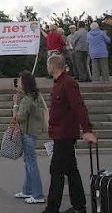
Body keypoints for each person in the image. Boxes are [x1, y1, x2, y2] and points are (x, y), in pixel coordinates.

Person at [42, 54, 97, 213]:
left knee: (57, 171)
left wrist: (87, 130)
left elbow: (78, 106)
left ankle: (52, 208)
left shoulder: (68, 83)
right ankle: (79, 206)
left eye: (48, 65)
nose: (47, 68)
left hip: (65, 135)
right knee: (71, 170)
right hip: (60, 133)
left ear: (52, 66)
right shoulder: (58, 83)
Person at [12, 71, 45, 205]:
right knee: (28, 163)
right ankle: (28, 190)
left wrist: (15, 104)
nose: (18, 83)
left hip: (27, 132)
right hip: (31, 132)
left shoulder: (27, 99)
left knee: (31, 164)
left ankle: (37, 194)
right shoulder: (33, 96)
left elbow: (19, 117)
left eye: (20, 81)